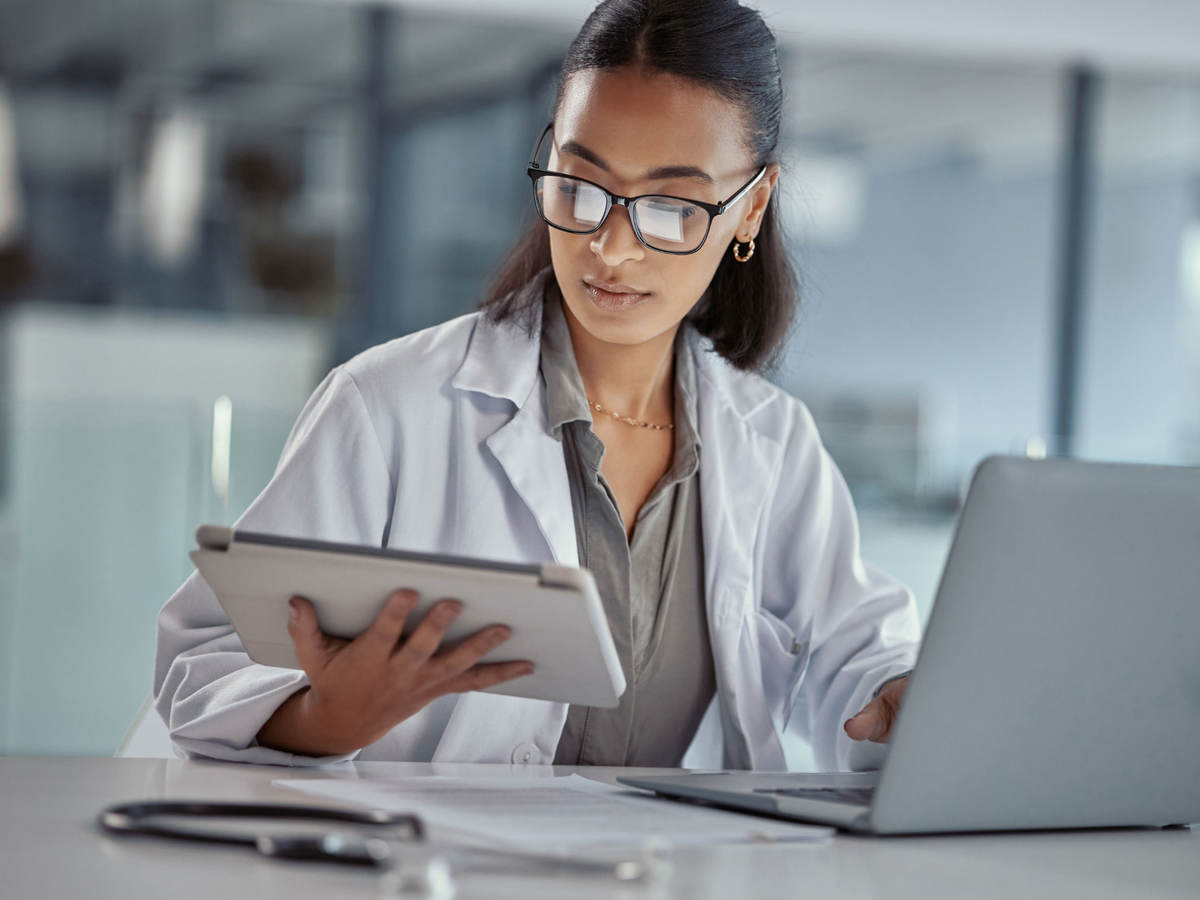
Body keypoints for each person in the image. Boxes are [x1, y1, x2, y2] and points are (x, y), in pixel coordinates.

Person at [154, 0, 918, 772]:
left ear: (750, 205)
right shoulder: (387, 407)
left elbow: (855, 653)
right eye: (581, 184)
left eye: (672, 206)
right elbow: (206, 662)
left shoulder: (772, 443)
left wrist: (899, 691)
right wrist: (325, 718)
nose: (612, 248)